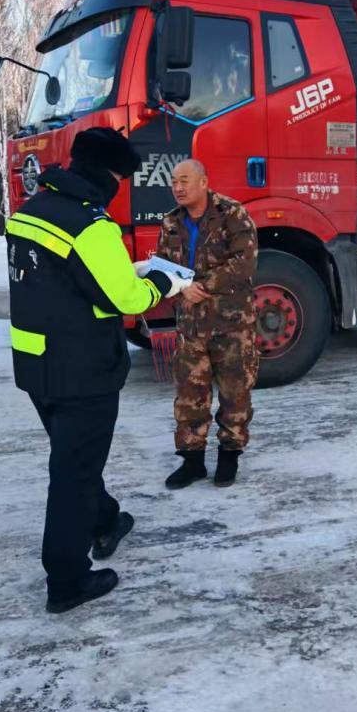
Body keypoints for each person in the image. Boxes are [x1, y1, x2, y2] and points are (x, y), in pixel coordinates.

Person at [7, 127, 188, 613]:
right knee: (72, 472)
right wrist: (161, 282)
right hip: (82, 371)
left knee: (74, 457)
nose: (120, 189)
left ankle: (105, 521)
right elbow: (125, 298)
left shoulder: (32, 210)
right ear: (108, 174)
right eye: (121, 180)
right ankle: (66, 581)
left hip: (36, 363)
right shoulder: (91, 225)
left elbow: (64, 279)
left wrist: (121, 271)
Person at [156, 159, 258, 489]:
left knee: (235, 391)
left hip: (231, 324)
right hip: (190, 325)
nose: (178, 187)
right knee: (189, 395)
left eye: (184, 180)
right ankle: (192, 462)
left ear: (204, 182)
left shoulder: (232, 214)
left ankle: (229, 456)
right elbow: (163, 266)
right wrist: (181, 288)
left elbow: (244, 262)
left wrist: (204, 286)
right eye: (174, 182)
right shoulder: (171, 221)